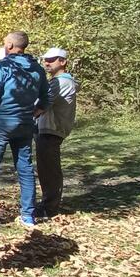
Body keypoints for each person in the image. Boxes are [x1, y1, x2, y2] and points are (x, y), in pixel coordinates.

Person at [0, 32, 50, 228]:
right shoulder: (37, 68)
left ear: (10, 45)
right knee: (25, 168)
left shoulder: (3, 66)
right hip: (25, 124)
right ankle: (28, 214)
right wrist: (32, 114)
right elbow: (46, 98)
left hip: (0, 123)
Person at [35, 47, 77, 218]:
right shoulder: (56, 81)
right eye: (45, 59)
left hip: (52, 130)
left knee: (50, 170)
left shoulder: (62, 82)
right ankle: (48, 203)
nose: (47, 63)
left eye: (52, 60)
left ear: (63, 61)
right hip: (47, 129)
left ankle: (50, 207)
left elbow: (42, 104)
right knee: (46, 169)